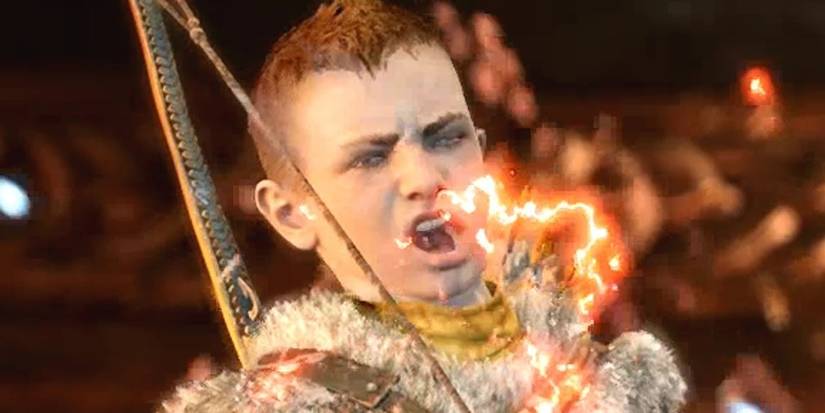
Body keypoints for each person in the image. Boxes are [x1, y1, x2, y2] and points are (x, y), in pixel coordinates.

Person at [162, 0, 686, 411]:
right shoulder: (287, 402)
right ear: (291, 213)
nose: (424, 178)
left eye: (446, 138)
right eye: (370, 158)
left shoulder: (606, 383)